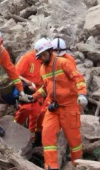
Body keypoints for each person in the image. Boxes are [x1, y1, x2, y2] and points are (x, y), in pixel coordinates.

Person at [20, 38, 88, 170]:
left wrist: (82, 94)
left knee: (74, 139)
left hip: (69, 106)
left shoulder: (63, 63)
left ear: (50, 51)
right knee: (47, 135)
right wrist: (32, 97)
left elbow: (78, 78)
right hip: (53, 107)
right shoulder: (42, 69)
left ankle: (78, 164)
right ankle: (51, 166)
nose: (42, 58)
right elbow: (45, 88)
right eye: (40, 56)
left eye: (44, 54)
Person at [14, 49, 43, 146]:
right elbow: (15, 74)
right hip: (26, 88)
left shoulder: (47, 60)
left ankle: (32, 139)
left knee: (37, 113)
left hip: (39, 91)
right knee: (26, 108)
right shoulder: (27, 58)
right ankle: (15, 127)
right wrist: (29, 83)